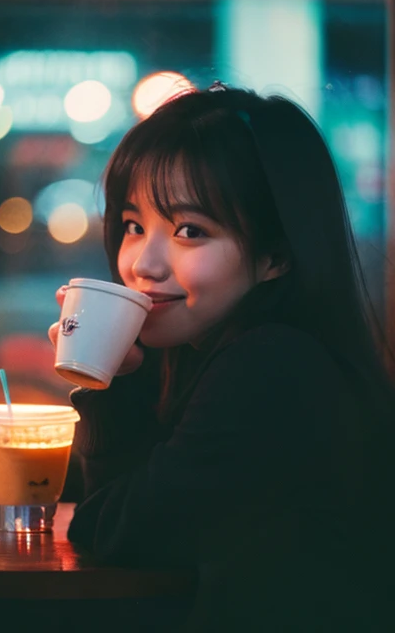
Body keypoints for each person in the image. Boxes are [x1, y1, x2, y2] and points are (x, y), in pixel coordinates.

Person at [49, 83, 395, 632]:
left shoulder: (272, 366)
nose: (144, 264)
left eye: (189, 231)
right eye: (136, 226)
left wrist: (102, 384)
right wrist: (112, 372)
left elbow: (113, 530)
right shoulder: (220, 355)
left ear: (273, 258)